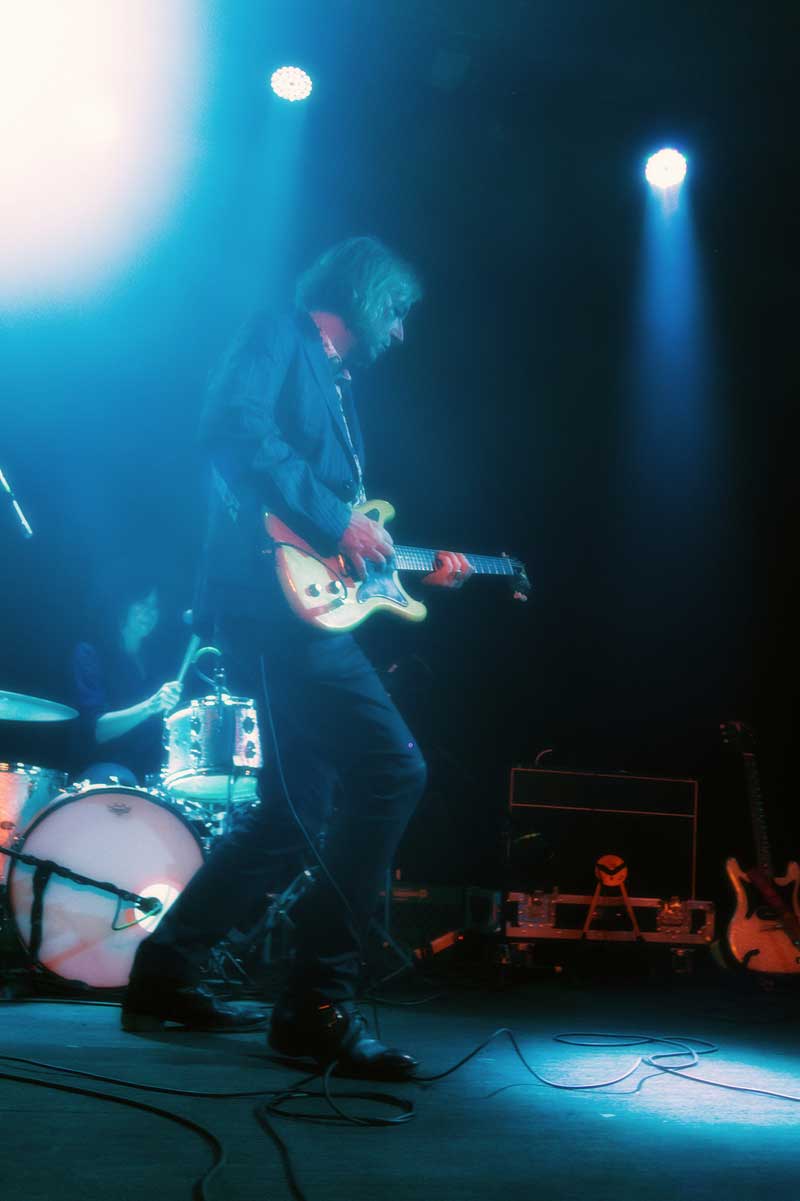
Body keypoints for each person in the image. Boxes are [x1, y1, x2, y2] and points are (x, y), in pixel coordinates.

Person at [122, 237, 474, 1078]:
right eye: (397, 310)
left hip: (295, 607)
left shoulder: (339, 385)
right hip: (266, 607)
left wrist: (404, 562)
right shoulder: (279, 333)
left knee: (289, 814)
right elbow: (232, 428)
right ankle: (317, 1001)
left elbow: (341, 538)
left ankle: (164, 975)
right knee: (393, 770)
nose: (401, 329)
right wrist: (335, 518)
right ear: (363, 296)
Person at [71, 580, 183, 786]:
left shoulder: (156, 661)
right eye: (142, 604)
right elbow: (97, 730)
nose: (150, 613)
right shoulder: (91, 654)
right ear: (122, 605)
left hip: (151, 771)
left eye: (155, 607)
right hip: (104, 771)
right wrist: (151, 705)